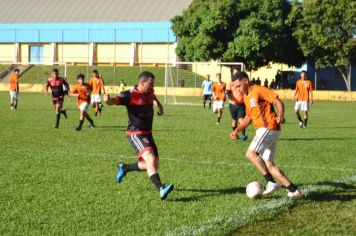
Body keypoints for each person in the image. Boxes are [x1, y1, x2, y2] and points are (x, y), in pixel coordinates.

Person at [230, 71, 302, 199]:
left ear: (246, 81)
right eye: (235, 87)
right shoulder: (246, 96)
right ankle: (294, 190)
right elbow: (248, 117)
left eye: (238, 86)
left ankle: (271, 182)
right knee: (270, 164)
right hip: (266, 130)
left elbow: (278, 102)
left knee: (250, 154)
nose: (237, 89)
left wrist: (281, 115)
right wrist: (237, 130)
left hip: (268, 127)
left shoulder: (259, 90)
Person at [104, 71, 174, 200]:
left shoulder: (149, 92)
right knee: (150, 158)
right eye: (150, 84)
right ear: (142, 83)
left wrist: (159, 105)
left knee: (153, 165)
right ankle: (161, 189)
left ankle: (124, 168)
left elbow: (153, 97)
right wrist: (108, 100)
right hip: (135, 133)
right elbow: (114, 101)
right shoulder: (130, 95)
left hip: (148, 133)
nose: (152, 86)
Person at [226, 70, 248, 141]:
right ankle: (235, 134)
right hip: (232, 104)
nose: (235, 73)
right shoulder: (230, 81)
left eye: (237, 72)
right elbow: (228, 92)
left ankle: (244, 135)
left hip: (241, 104)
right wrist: (232, 99)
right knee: (234, 122)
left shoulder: (242, 81)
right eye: (234, 72)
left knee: (241, 120)